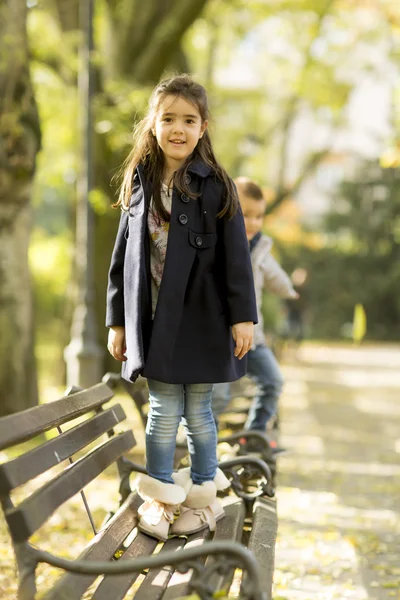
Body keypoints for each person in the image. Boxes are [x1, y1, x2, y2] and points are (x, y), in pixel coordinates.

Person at [106, 75, 257, 541]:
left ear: (203, 127)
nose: (178, 128)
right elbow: (121, 258)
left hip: (204, 321)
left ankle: (203, 501)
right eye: (168, 118)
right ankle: (160, 498)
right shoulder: (139, 184)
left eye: (188, 120)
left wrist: (242, 317)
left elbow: (236, 259)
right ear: (153, 125)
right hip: (155, 322)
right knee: (162, 410)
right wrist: (118, 322)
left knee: (200, 413)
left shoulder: (217, 187)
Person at [212, 177, 298, 450]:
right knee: (217, 397)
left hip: (254, 337)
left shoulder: (260, 247)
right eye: (245, 215)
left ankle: (253, 437)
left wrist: (289, 290)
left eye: (259, 216)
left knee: (273, 381)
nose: (253, 223)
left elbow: (274, 275)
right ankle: (205, 452)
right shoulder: (216, 242)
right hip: (221, 339)